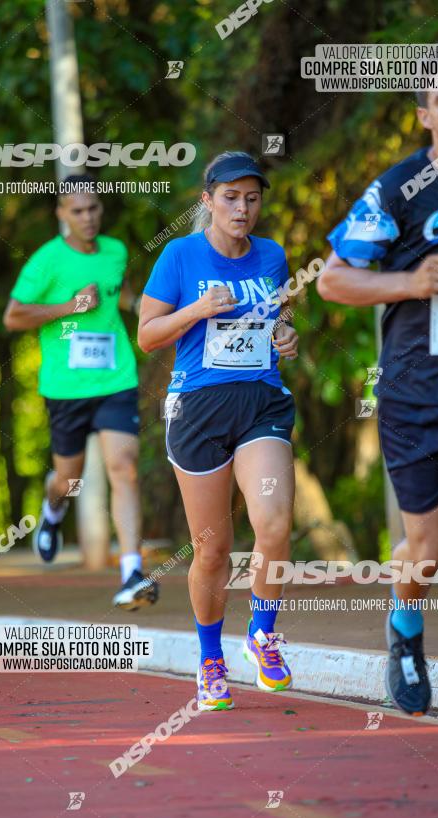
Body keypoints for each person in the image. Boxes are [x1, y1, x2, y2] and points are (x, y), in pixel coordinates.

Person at [317, 43, 438, 757]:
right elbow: (333, 281)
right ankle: (404, 627)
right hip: (414, 401)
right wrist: (408, 283)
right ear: (422, 115)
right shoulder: (398, 191)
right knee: (427, 548)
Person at [138, 151, 299, 710]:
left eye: (252, 198)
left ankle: (262, 632)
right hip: (198, 411)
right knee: (214, 551)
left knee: (274, 524)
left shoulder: (273, 256)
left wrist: (285, 336)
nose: (242, 208)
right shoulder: (180, 256)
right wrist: (197, 310)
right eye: (230, 197)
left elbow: (277, 318)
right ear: (207, 201)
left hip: (261, 404)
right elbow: (148, 334)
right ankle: (210, 658)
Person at [3, 174, 158, 611]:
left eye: (93, 209)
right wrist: (69, 307)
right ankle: (53, 512)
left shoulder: (115, 251)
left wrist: (154, 310)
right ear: (61, 214)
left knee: (123, 467)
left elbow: (122, 294)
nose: (87, 218)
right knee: (68, 480)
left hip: (115, 379)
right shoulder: (46, 261)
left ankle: (132, 570)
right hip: (66, 388)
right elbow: (13, 317)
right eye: (77, 211)